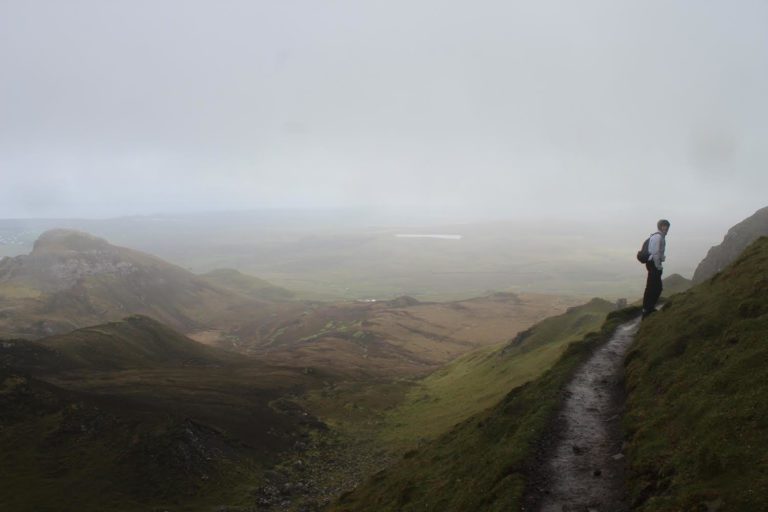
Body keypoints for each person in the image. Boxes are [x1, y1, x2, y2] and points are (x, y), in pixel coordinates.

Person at [642, 219, 670, 319]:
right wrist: (659, 266)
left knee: (652, 287)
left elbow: (659, 253)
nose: (666, 228)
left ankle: (647, 308)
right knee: (655, 288)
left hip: (652, 263)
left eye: (667, 226)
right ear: (660, 226)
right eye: (664, 226)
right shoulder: (658, 237)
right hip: (653, 264)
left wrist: (661, 259)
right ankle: (648, 310)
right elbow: (655, 253)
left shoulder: (658, 237)